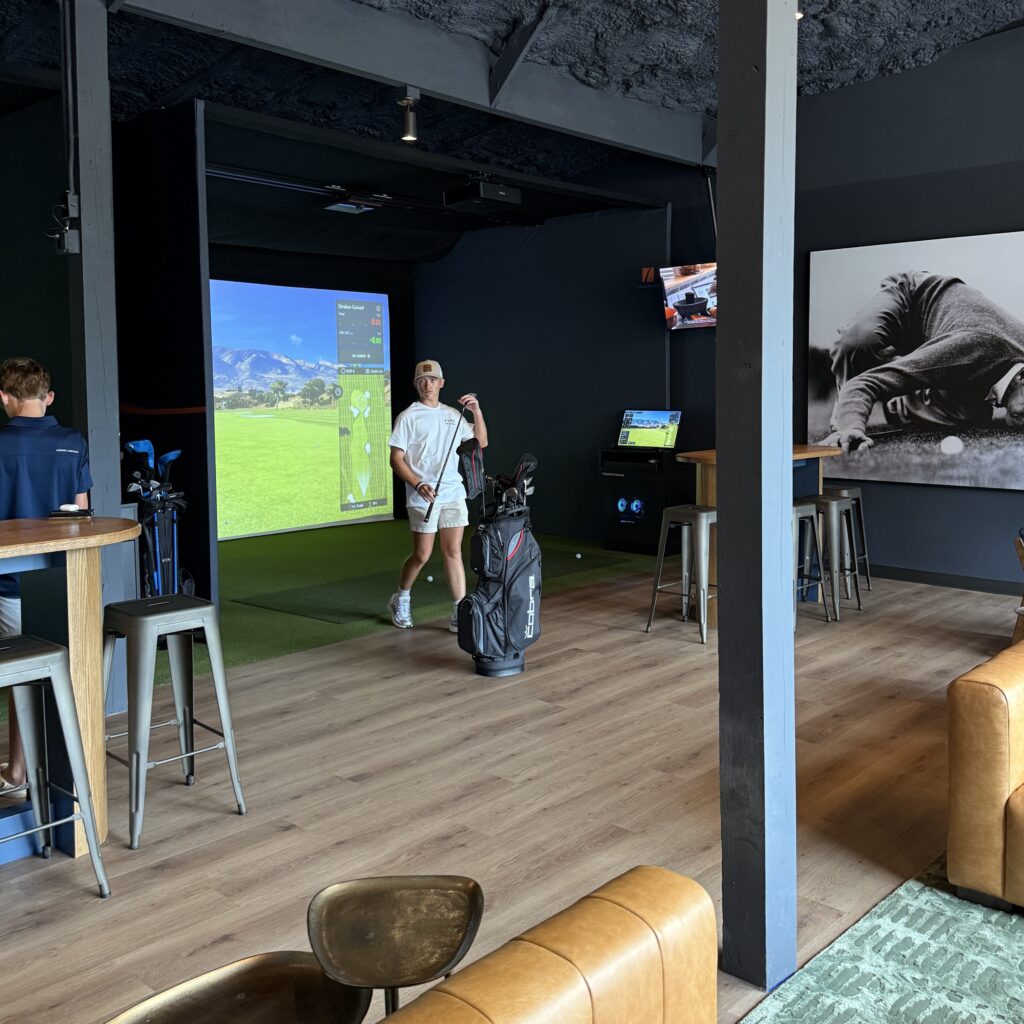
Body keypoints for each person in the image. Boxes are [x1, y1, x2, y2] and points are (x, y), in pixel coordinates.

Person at [0, 356, 91, 795]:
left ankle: (19, 773)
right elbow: (83, 514)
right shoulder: (73, 442)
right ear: (48, 397)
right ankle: (65, 777)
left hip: (10, 586)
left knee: (22, 674)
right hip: (64, 583)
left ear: (4, 397)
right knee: (53, 673)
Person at [823, 271, 1024, 452]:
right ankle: (844, 411)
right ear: (1021, 378)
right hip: (912, 296)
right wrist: (850, 427)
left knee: (971, 415)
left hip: (955, 335)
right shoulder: (969, 352)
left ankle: (896, 404)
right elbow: (865, 384)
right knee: (856, 346)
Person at [387, 359, 487, 631]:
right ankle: (401, 598)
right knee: (422, 554)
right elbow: (396, 459)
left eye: (432, 380)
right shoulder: (408, 417)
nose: (427, 384)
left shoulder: (453, 415)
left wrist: (476, 412)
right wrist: (417, 483)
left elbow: (480, 443)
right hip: (423, 496)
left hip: (453, 492)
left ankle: (459, 612)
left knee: (453, 551)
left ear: (441, 383)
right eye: (422, 380)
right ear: (416, 384)